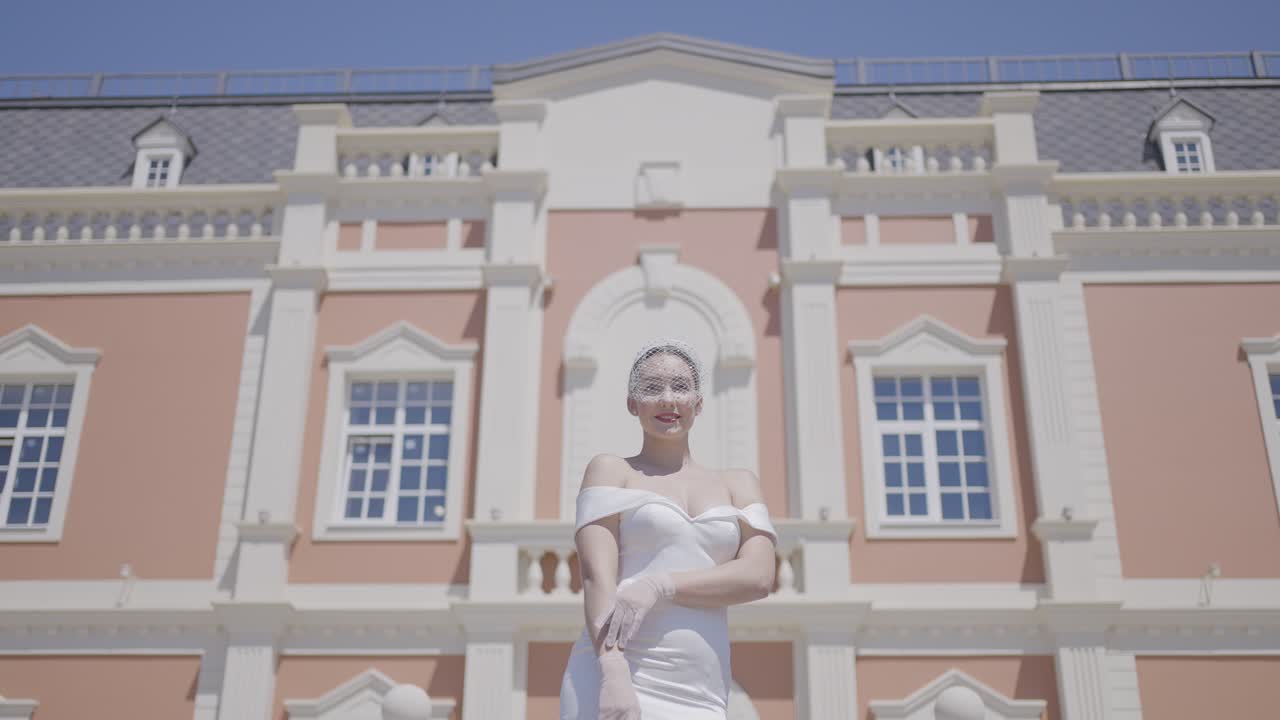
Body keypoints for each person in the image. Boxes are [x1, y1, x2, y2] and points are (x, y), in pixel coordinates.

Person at [559, 339, 777, 720]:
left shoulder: (739, 483)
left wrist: (659, 584)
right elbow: (597, 578)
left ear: (698, 402)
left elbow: (759, 577)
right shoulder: (612, 470)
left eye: (680, 386)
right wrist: (612, 673)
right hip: (619, 669)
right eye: (651, 388)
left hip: (702, 690)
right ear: (632, 404)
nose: (667, 399)